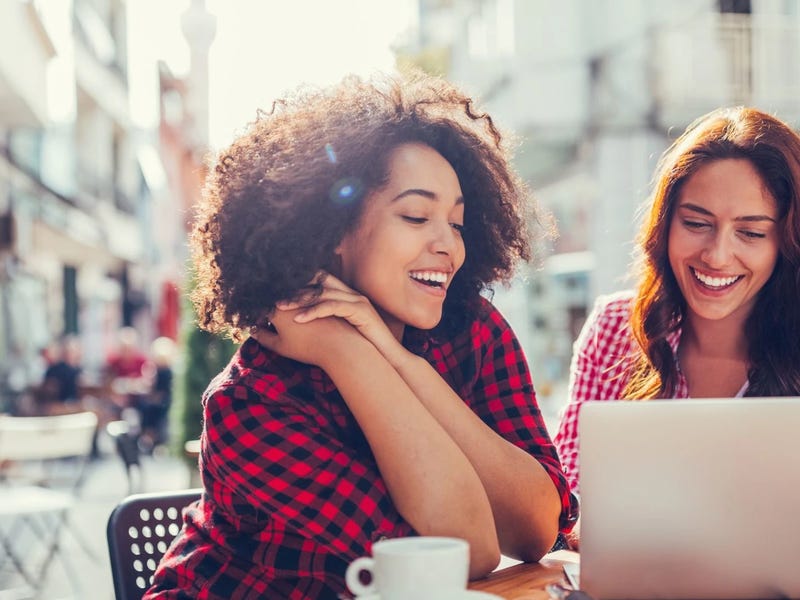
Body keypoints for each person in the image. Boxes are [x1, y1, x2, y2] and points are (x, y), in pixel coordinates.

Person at [145, 71, 578, 600]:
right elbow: (464, 555)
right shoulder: (251, 403)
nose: (449, 246)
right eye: (417, 216)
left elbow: (537, 529)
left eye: (458, 223)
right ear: (332, 236)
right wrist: (348, 354)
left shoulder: (470, 333)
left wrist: (401, 363)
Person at [555, 106, 800, 514]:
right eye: (696, 223)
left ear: (786, 244)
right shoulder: (614, 329)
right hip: (636, 576)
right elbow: (570, 500)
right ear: (665, 224)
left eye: (751, 233)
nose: (718, 256)